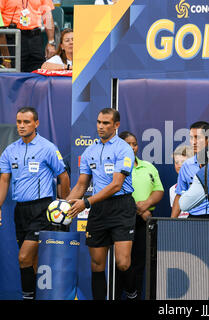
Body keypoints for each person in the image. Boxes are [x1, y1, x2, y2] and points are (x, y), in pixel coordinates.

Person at [0, 107, 70, 300]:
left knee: (23, 258)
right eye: (19, 122)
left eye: (26, 122)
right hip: (20, 211)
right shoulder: (10, 150)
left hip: (42, 209)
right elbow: (4, 180)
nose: (21, 126)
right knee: (31, 262)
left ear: (36, 123)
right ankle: (41, 296)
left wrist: (65, 206)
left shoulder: (47, 148)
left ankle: (28, 297)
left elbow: (63, 176)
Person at [66, 108, 136, 300]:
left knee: (122, 263)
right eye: (98, 122)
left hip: (121, 206)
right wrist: (64, 206)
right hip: (98, 210)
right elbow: (81, 184)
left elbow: (116, 185)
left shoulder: (124, 148)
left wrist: (86, 202)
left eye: (106, 123)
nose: (101, 126)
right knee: (97, 265)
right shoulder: (90, 150)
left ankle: (132, 294)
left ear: (116, 125)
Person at [118, 131, 164, 300]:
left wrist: (145, 205)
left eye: (135, 144)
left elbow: (159, 190)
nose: (132, 147)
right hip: (122, 219)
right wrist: (138, 208)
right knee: (121, 263)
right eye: (128, 144)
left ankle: (134, 295)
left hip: (144, 221)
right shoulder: (115, 166)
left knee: (139, 262)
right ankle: (121, 293)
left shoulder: (148, 167)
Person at [171, 121, 209, 219]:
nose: (193, 142)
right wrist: (171, 221)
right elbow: (179, 195)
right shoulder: (186, 165)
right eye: (191, 138)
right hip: (194, 218)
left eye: (197, 137)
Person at [0, 0, 56, 72]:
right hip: (12, 38)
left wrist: (51, 42)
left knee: (38, 72)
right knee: (13, 74)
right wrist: (6, 57)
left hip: (35, 38)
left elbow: (47, 16)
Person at [169, 144, 193, 218]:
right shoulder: (173, 189)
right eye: (176, 162)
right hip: (181, 227)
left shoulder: (200, 185)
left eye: (183, 162)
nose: (179, 165)